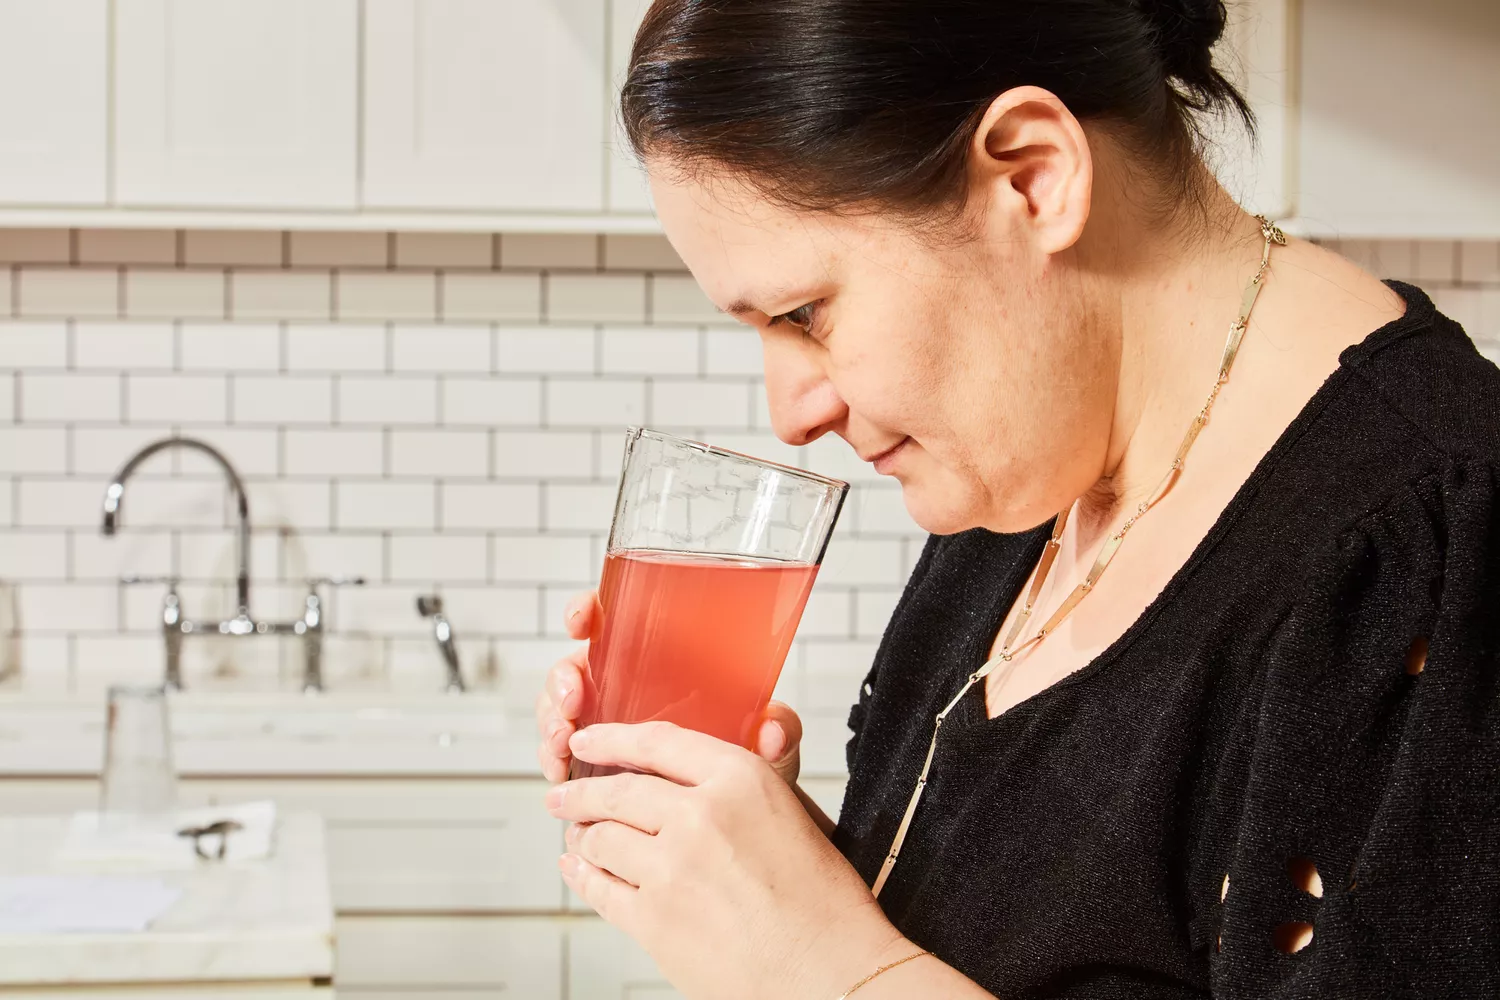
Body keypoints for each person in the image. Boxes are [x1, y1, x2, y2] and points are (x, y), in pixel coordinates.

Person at [535, 1, 1500, 996]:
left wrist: (821, 969)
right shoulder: (1032, 462)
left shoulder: (1435, 555)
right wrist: (765, 880)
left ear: (1032, 178)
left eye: (805, 312)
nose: (790, 412)